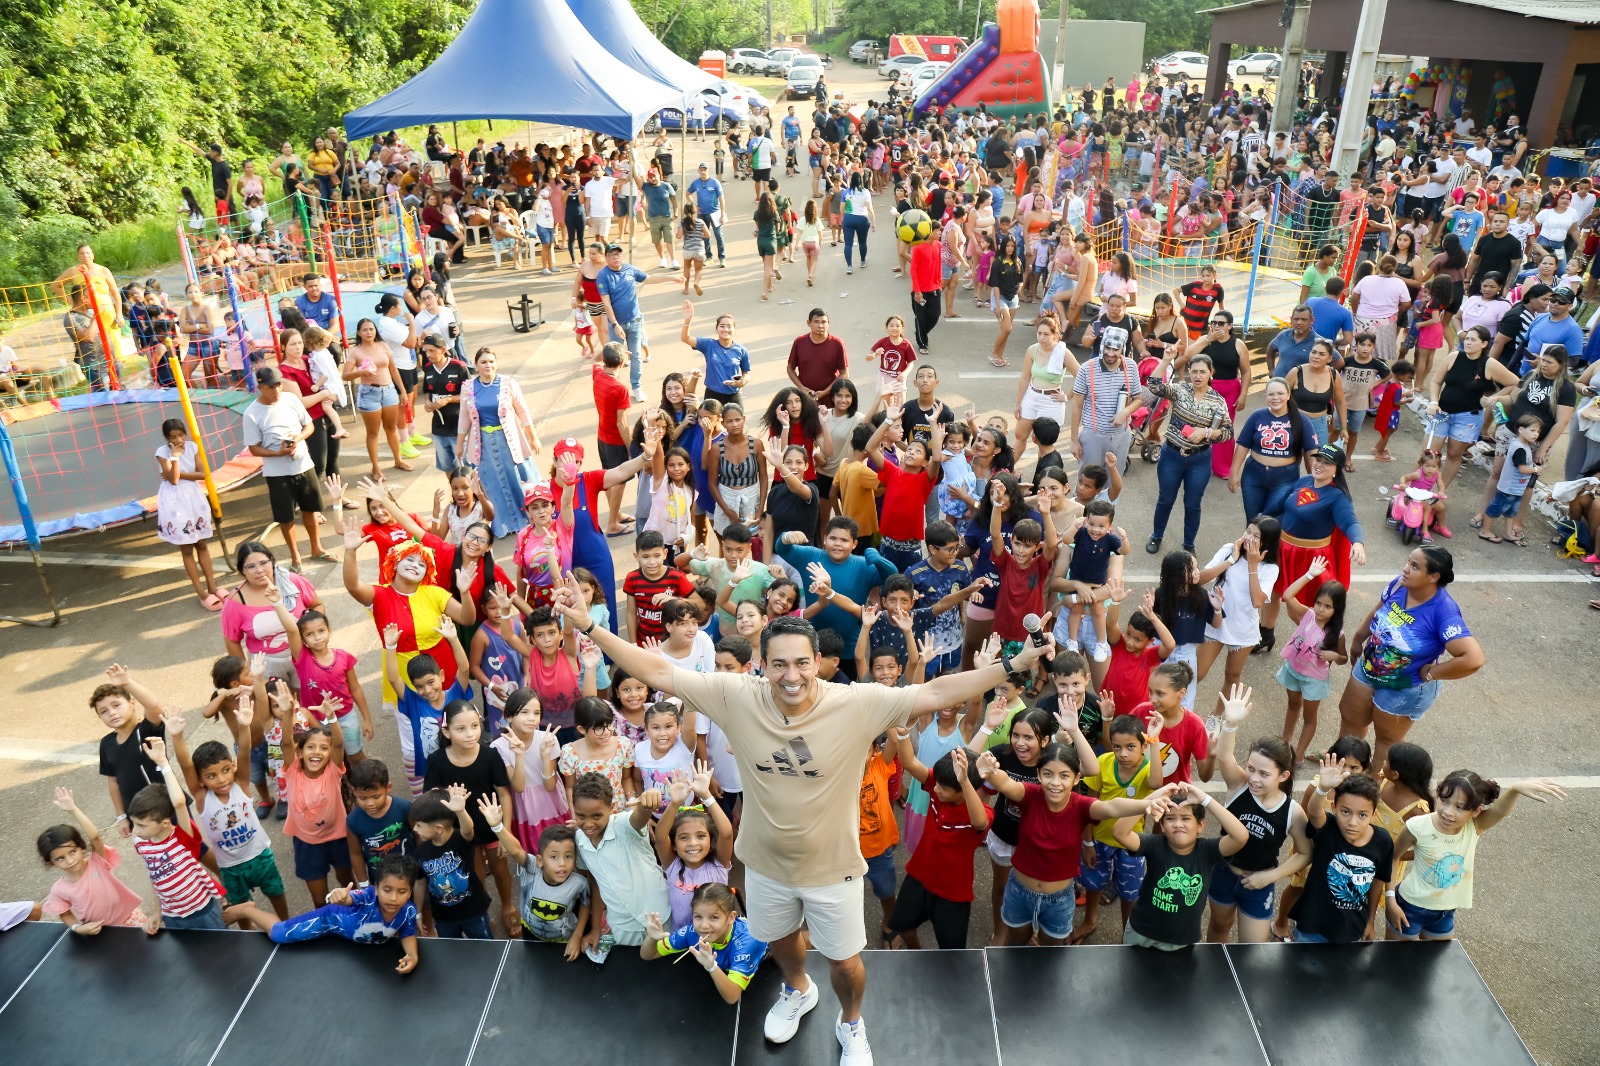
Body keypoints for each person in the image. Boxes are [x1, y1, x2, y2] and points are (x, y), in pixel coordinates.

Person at [546, 574, 1060, 1064]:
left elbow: (936, 693)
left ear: (818, 661)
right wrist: (589, 625)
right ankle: (797, 989)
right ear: (761, 666)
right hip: (766, 865)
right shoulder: (735, 695)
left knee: (845, 963)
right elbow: (657, 671)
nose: (790, 676)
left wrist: (1013, 666)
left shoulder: (857, 702)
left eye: (801, 663)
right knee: (781, 942)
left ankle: (852, 1022)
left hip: (833, 867)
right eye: (778, 665)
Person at [1338, 546, 1484, 772]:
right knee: (1350, 720)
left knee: (1386, 743)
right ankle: (1342, 771)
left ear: (1433, 577)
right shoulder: (1400, 583)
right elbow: (1380, 607)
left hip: (1405, 687)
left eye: (1415, 566)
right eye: (1408, 562)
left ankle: (1368, 788)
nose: (1406, 569)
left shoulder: (1443, 612)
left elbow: (1473, 658)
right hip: (1368, 667)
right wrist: (1359, 638)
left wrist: (1431, 673)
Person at [1388, 770, 1566, 941]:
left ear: (1475, 811)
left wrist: (1515, 789)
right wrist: (1390, 901)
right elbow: (1393, 857)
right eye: (1444, 801)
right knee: (1398, 960)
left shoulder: (1473, 827)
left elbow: (1500, 811)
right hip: (1408, 907)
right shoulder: (1417, 826)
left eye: (1459, 807)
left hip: (1445, 912)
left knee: (1436, 965)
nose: (1448, 812)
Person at [227, 855, 421, 974]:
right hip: (328, 921)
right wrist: (340, 896)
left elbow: (408, 933)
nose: (393, 898)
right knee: (280, 934)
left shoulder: (408, 911)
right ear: (377, 888)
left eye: (401, 892)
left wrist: (412, 955)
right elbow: (349, 898)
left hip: (351, 936)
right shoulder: (368, 896)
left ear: (410, 892)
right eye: (387, 890)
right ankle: (247, 909)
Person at [1127, 352, 1233, 556]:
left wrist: (1207, 432)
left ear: (1211, 373)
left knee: (1193, 504)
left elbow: (1228, 432)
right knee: (1165, 499)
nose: (1198, 376)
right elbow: (1154, 384)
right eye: (1194, 371)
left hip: (1199, 460)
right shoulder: (1179, 390)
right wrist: (1166, 360)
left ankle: (1189, 545)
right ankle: (1157, 536)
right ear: (1189, 373)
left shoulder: (1218, 400)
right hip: (1171, 456)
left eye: (1203, 372)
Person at [1285, 757, 1392, 943]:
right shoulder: (1329, 829)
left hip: (1351, 930)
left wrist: (1370, 920)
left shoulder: (1383, 841)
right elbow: (1314, 811)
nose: (1352, 822)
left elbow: (1378, 881)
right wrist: (1322, 789)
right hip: (1312, 926)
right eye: (1345, 812)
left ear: (1373, 815)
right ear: (1334, 808)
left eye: (1362, 815)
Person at [242, 367, 328, 570]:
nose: (277, 389)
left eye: (279, 384)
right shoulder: (251, 414)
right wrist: (277, 453)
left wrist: (297, 439)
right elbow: (254, 448)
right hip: (277, 473)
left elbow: (309, 426)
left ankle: (316, 548)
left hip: (304, 465)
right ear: (261, 387)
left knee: (310, 509)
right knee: (285, 517)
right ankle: (295, 557)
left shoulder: (291, 399)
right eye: (271, 386)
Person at [39, 785, 150, 933]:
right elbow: (65, 914)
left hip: (130, 919)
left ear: (82, 847)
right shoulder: (59, 889)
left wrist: (73, 809)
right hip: (100, 932)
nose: (70, 861)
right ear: (50, 862)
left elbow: (95, 837)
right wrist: (78, 928)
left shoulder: (97, 862)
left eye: (72, 851)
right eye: (60, 858)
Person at [458, 347, 540, 538]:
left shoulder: (508, 383)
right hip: (483, 443)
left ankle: (529, 520)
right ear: (476, 365)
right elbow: (464, 417)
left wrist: (533, 436)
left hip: (508, 441)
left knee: (518, 481)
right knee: (491, 484)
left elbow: (522, 411)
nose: (488, 365)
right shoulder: (468, 387)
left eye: (492, 361)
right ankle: (503, 524)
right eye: (484, 362)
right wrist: (459, 444)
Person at [153, 418, 220, 610]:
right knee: (186, 547)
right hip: (175, 501)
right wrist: (174, 458)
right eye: (173, 437)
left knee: (202, 542)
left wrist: (176, 474)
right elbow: (173, 480)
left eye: (181, 435)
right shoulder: (162, 453)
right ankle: (200, 591)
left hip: (193, 498)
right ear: (167, 438)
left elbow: (201, 474)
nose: (178, 440)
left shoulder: (192, 447)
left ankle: (212, 585)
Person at [1185, 310, 1252, 477]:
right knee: (1200, 423)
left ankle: (1223, 467)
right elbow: (1187, 355)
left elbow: (1245, 371)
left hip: (1229, 390)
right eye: (1213, 323)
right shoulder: (1206, 340)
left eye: (1220, 323)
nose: (1216, 326)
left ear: (1229, 326)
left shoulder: (1238, 344)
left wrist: (1243, 394)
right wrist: (1208, 339)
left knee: (1223, 428)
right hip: (1206, 389)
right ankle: (1196, 463)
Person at [597, 243, 654, 401]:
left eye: (618, 254)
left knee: (635, 355)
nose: (616, 257)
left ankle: (636, 387)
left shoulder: (630, 269)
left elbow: (648, 278)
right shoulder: (603, 276)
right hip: (617, 324)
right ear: (606, 257)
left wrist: (672, 278)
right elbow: (606, 303)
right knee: (615, 358)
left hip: (634, 321)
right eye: (612, 254)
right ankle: (613, 387)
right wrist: (614, 324)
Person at [787, 307, 848, 401]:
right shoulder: (799, 342)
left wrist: (825, 392)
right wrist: (802, 389)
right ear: (809, 323)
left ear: (828, 323)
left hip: (831, 398)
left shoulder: (837, 344)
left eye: (823, 322)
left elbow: (844, 373)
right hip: (806, 398)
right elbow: (790, 368)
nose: (820, 325)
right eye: (816, 322)